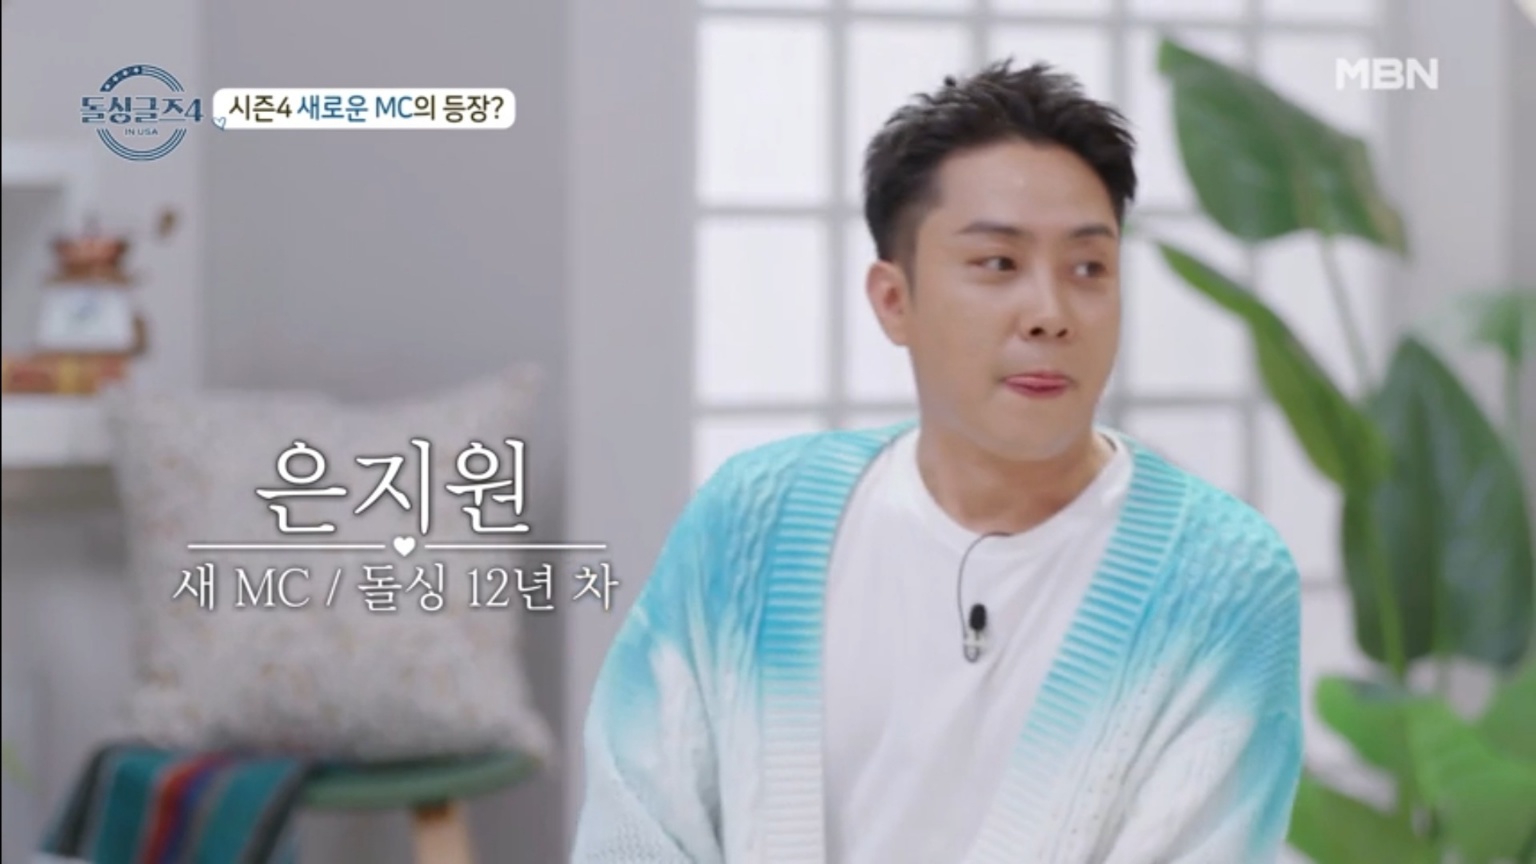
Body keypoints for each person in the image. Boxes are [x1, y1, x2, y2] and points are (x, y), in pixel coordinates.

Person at [571, 60, 1302, 864]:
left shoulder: (1219, 578)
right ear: (895, 301)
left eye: (1088, 269)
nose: (1051, 314)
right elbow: (633, 825)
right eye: (999, 264)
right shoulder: (754, 518)